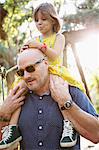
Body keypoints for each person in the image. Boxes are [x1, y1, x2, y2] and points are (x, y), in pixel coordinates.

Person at [0, 2, 87, 149]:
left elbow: (54, 56)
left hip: (54, 71)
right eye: (36, 20)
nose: (39, 23)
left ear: (53, 20)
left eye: (43, 19)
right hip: (37, 72)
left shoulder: (58, 37)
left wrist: (39, 46)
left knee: (60, 93)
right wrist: (26, 50)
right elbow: (30, 58)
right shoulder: (36, 39)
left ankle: (68, 126)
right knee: (18, 91)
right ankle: (13, 129)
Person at [13, 49, 99, 150]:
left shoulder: (71, 91)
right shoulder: (17, 98)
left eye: (30, 68)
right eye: (21, 72)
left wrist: (66, 103)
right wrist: (3, 113)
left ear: (45, 63)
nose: (26, 76)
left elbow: (96, 134)